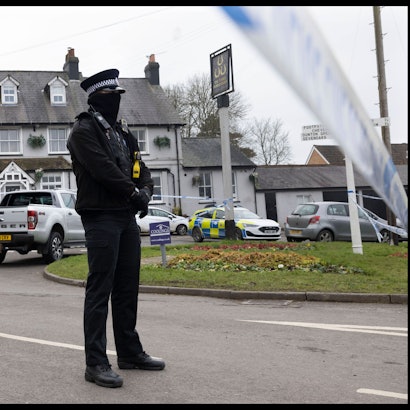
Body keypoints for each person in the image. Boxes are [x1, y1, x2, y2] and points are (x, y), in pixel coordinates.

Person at [67, 69, 165, 389]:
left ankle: (129, 352)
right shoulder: (83, 130)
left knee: (126, 288)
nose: (117, 101)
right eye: (112, 96)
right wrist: (133, 193)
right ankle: (95, 362)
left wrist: (145, 192)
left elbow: (142, 167)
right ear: (96, 98)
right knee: (100, 290)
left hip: (125, 218)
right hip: (101, 218)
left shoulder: (123, 132)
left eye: (119, 95)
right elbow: (103, 169)